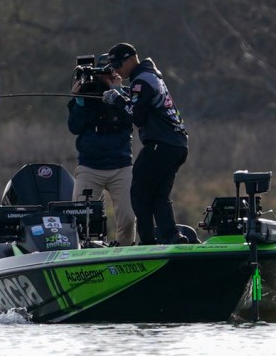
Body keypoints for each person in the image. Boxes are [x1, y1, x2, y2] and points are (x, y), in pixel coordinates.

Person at [102, 42, 189, 245]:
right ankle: (173, 237)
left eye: (118, 64)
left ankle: (148, 242)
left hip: (160, 144)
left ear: (131, 59)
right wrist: (120, 92)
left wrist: (116, 98)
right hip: (177, 144)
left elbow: (137, 117)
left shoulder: (141, 80)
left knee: (139, 192)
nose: (116, 70)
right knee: (159, 195)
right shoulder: (151, 76)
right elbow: (141, 105)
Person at [68, 69, 136, 246]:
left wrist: (118, 94)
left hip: (121, 166)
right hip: (89, 167)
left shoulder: (126, 95)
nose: (107, 76)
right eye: (102, 72)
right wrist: (78, 101)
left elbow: (133, 119)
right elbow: (74, 127)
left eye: (110, 72)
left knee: (128, 218)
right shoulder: (85, 94)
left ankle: (125, 250)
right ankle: (86, 251)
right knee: (80, 217)